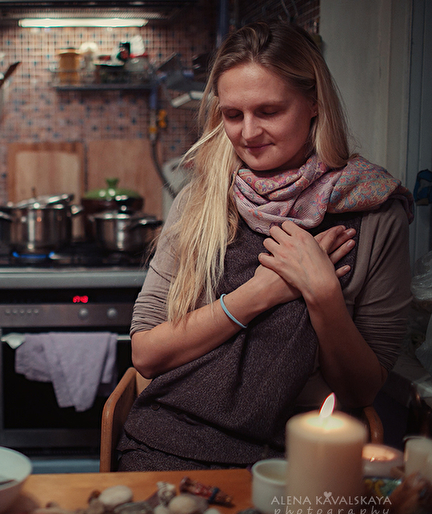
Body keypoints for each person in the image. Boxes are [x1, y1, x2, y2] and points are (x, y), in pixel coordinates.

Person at [118, 21, 414, 471]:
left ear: (314, 103)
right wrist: (261, 293)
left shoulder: (375, 212)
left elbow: (360, 390)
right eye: (233, 115)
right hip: (166, 443)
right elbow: (146, 354)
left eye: (269, 111)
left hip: (302, 458)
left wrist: (323, 295)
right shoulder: (199, 202)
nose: (248, 133)